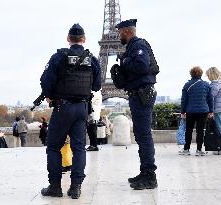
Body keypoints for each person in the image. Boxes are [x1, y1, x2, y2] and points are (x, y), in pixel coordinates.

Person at [40, 23, 101, 199]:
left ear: (68, 39)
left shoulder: (59, 57)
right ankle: (75, 188)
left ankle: (55, 186)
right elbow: (96, 85)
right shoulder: (92, 59)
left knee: (53, 147)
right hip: (82, 108)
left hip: (62, 107)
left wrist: (50, 95)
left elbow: (46, 81)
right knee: (79, 148)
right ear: (84, 39)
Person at [111, 19, 159, 190]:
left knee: (144, 136)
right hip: (139, 94)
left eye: (120, 32)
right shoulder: (132, 46)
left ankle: (150, 176)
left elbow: (141, 65)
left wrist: (124, 61)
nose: (118, 35)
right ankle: (145, 171)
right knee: (141, 135)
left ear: (126, 31)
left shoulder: (138, 44)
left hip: (142, 95)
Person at [179, 66, 213, 156]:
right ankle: (199, 150)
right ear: (201, 74)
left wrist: (182, 111)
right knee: (200, 131)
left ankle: (186, 149)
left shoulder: (187, 85)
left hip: (190, 111)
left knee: (188, 130)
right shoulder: (206, 85)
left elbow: (184, 100)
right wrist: (211, 111)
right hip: (203, 111)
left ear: (191, 74)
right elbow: (210, 99)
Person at [206, 67, 221, 155]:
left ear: (211, 75)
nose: (207, 77)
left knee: (220, 128)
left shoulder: (215, 84)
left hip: (219, 109)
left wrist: (210, 111)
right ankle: (220, 147)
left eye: (208, 75)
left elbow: (211, 97)